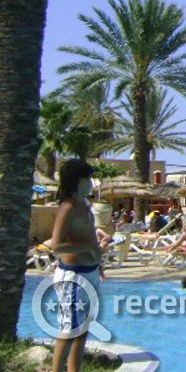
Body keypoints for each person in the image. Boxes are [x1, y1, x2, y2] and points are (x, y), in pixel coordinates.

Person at [50, 159, 103, 372]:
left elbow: (89, 237)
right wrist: (88, 247)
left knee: (82, 328)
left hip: (90, 272)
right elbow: (56, 246)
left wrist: (98, 264)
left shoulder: (84, 205)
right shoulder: (68, 208)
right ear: (76, 181)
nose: (91, 183)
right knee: (69, 328)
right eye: (86, 179)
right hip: (74, 276)